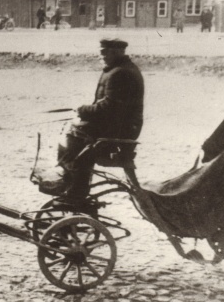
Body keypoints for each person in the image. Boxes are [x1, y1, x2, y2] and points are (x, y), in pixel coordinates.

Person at [38, 39, 144, 205]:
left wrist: (82, 110)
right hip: (118, 124)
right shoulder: (117, 70)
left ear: (115, 53)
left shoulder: (121, 73)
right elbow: (107, 105)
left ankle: (76, 191)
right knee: (72, 131)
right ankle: (70, 182)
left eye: (104, 52)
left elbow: (110, 107)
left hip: (122, 128)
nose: (100, 55)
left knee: (75, 136)